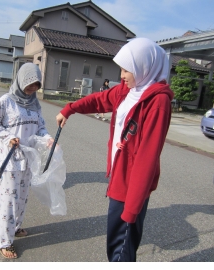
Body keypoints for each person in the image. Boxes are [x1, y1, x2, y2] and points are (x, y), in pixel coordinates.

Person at [56, 37, 174, 262]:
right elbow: (99, 100)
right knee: (116, 244)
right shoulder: (129, 90)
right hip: (119, 178)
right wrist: (69, 109)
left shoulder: (158, 102)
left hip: (131, 186)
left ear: (144, 67)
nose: (121, 75)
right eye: (121, 69)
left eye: (126, 70)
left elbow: (147, 158)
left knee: (121, 249)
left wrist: (131, 209)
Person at [0, 63, 54, 259]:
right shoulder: (6, 101)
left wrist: (48, 138)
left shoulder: (35, 103)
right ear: (21, 80)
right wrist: (8, 138)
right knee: (8, 201)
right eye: (30, 84)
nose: (33, 88)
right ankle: (3, 241)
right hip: (10, 160)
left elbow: (40, 126)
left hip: (28, 159)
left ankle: (15, 227)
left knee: (22, 198)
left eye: (36, 85)